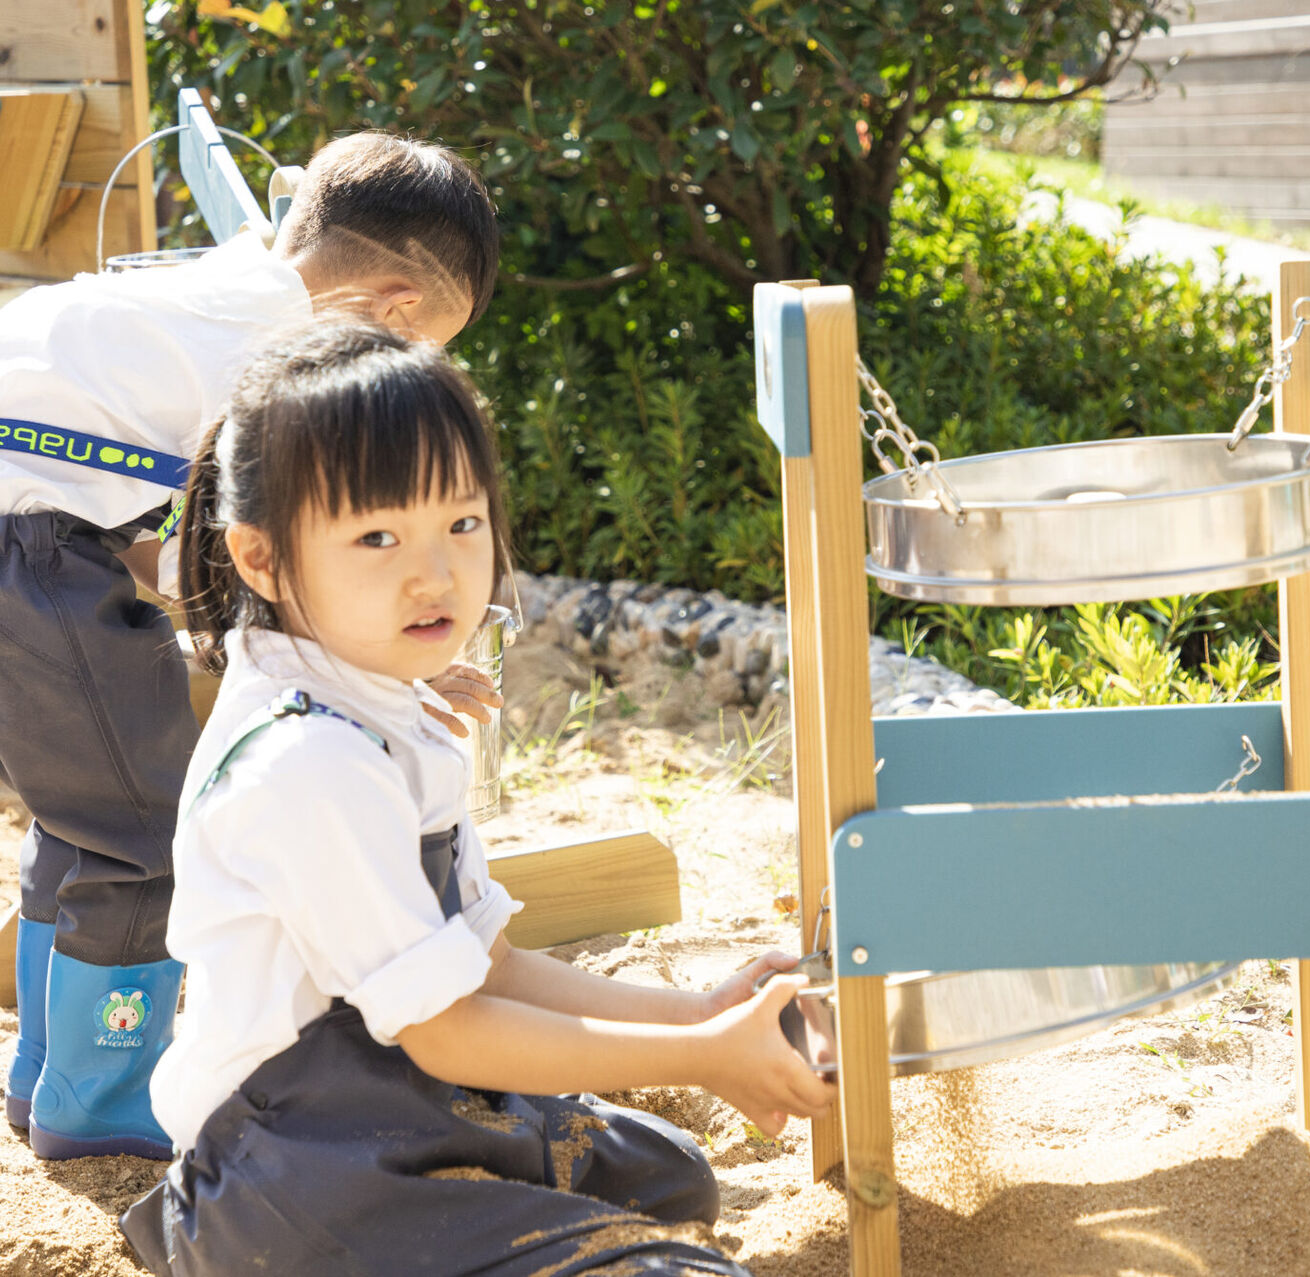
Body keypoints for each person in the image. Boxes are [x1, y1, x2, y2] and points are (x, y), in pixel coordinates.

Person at [118, 321, 831, 1276]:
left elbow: (485, 966)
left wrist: (694, 1012)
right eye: (376, 535)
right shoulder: (305, 762)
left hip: (401, 1095)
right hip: (293, 1168)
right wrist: (702, 1054)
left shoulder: (383, 698)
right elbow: (447, 1027)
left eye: (461, 521)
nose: (437, 572)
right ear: (261, 559)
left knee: (675, 1181)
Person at [0, 132, 502, 1162]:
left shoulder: (217, 281)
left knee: (84, 808)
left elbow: (190, 552)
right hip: (12, 548)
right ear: (393, 308)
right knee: (148, 821)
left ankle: (46, 1067)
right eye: (418, 351)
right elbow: (270, 563)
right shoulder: (281, 364)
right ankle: (100, 1093)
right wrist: (390, 662)